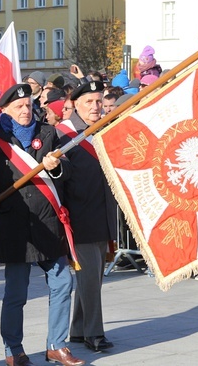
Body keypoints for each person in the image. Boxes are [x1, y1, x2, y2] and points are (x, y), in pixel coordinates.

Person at [0, 83, 84, 366]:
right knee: (17, 292)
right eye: (18, 107)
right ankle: (14, 350)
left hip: (47, 221)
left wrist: (56, 166)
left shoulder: (48, 133)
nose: (25, 111)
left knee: (62, 282)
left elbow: (68, 169)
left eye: (28, 105)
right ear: (5, 110)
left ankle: (57, 345)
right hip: (13, 225)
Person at [56, 80, 117, 352]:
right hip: (78, 216)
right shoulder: (64, 134)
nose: (95, 107)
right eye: (89, 102)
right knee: (91, 279)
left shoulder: (103, 129)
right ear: (76, 105)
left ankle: (79, 329)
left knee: (93, 277)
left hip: (101, 214)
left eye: (98, 101)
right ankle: (95, 333)